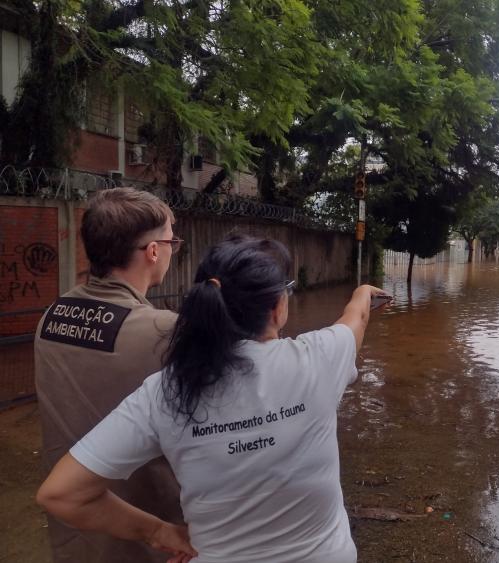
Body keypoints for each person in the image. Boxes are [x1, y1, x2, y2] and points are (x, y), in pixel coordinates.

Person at [37, 235, 390, 563]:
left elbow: (61, 494)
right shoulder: (320, 359)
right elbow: (355, 320)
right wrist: (362, 293)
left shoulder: (165, 391)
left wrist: (159, 531)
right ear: (277, 308)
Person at [34, 187, 183, 563]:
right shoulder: (167, 332)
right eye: (171, 241)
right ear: (153, 251)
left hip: (75, 529)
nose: (171, 250)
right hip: (154, 539)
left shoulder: (52, 316)